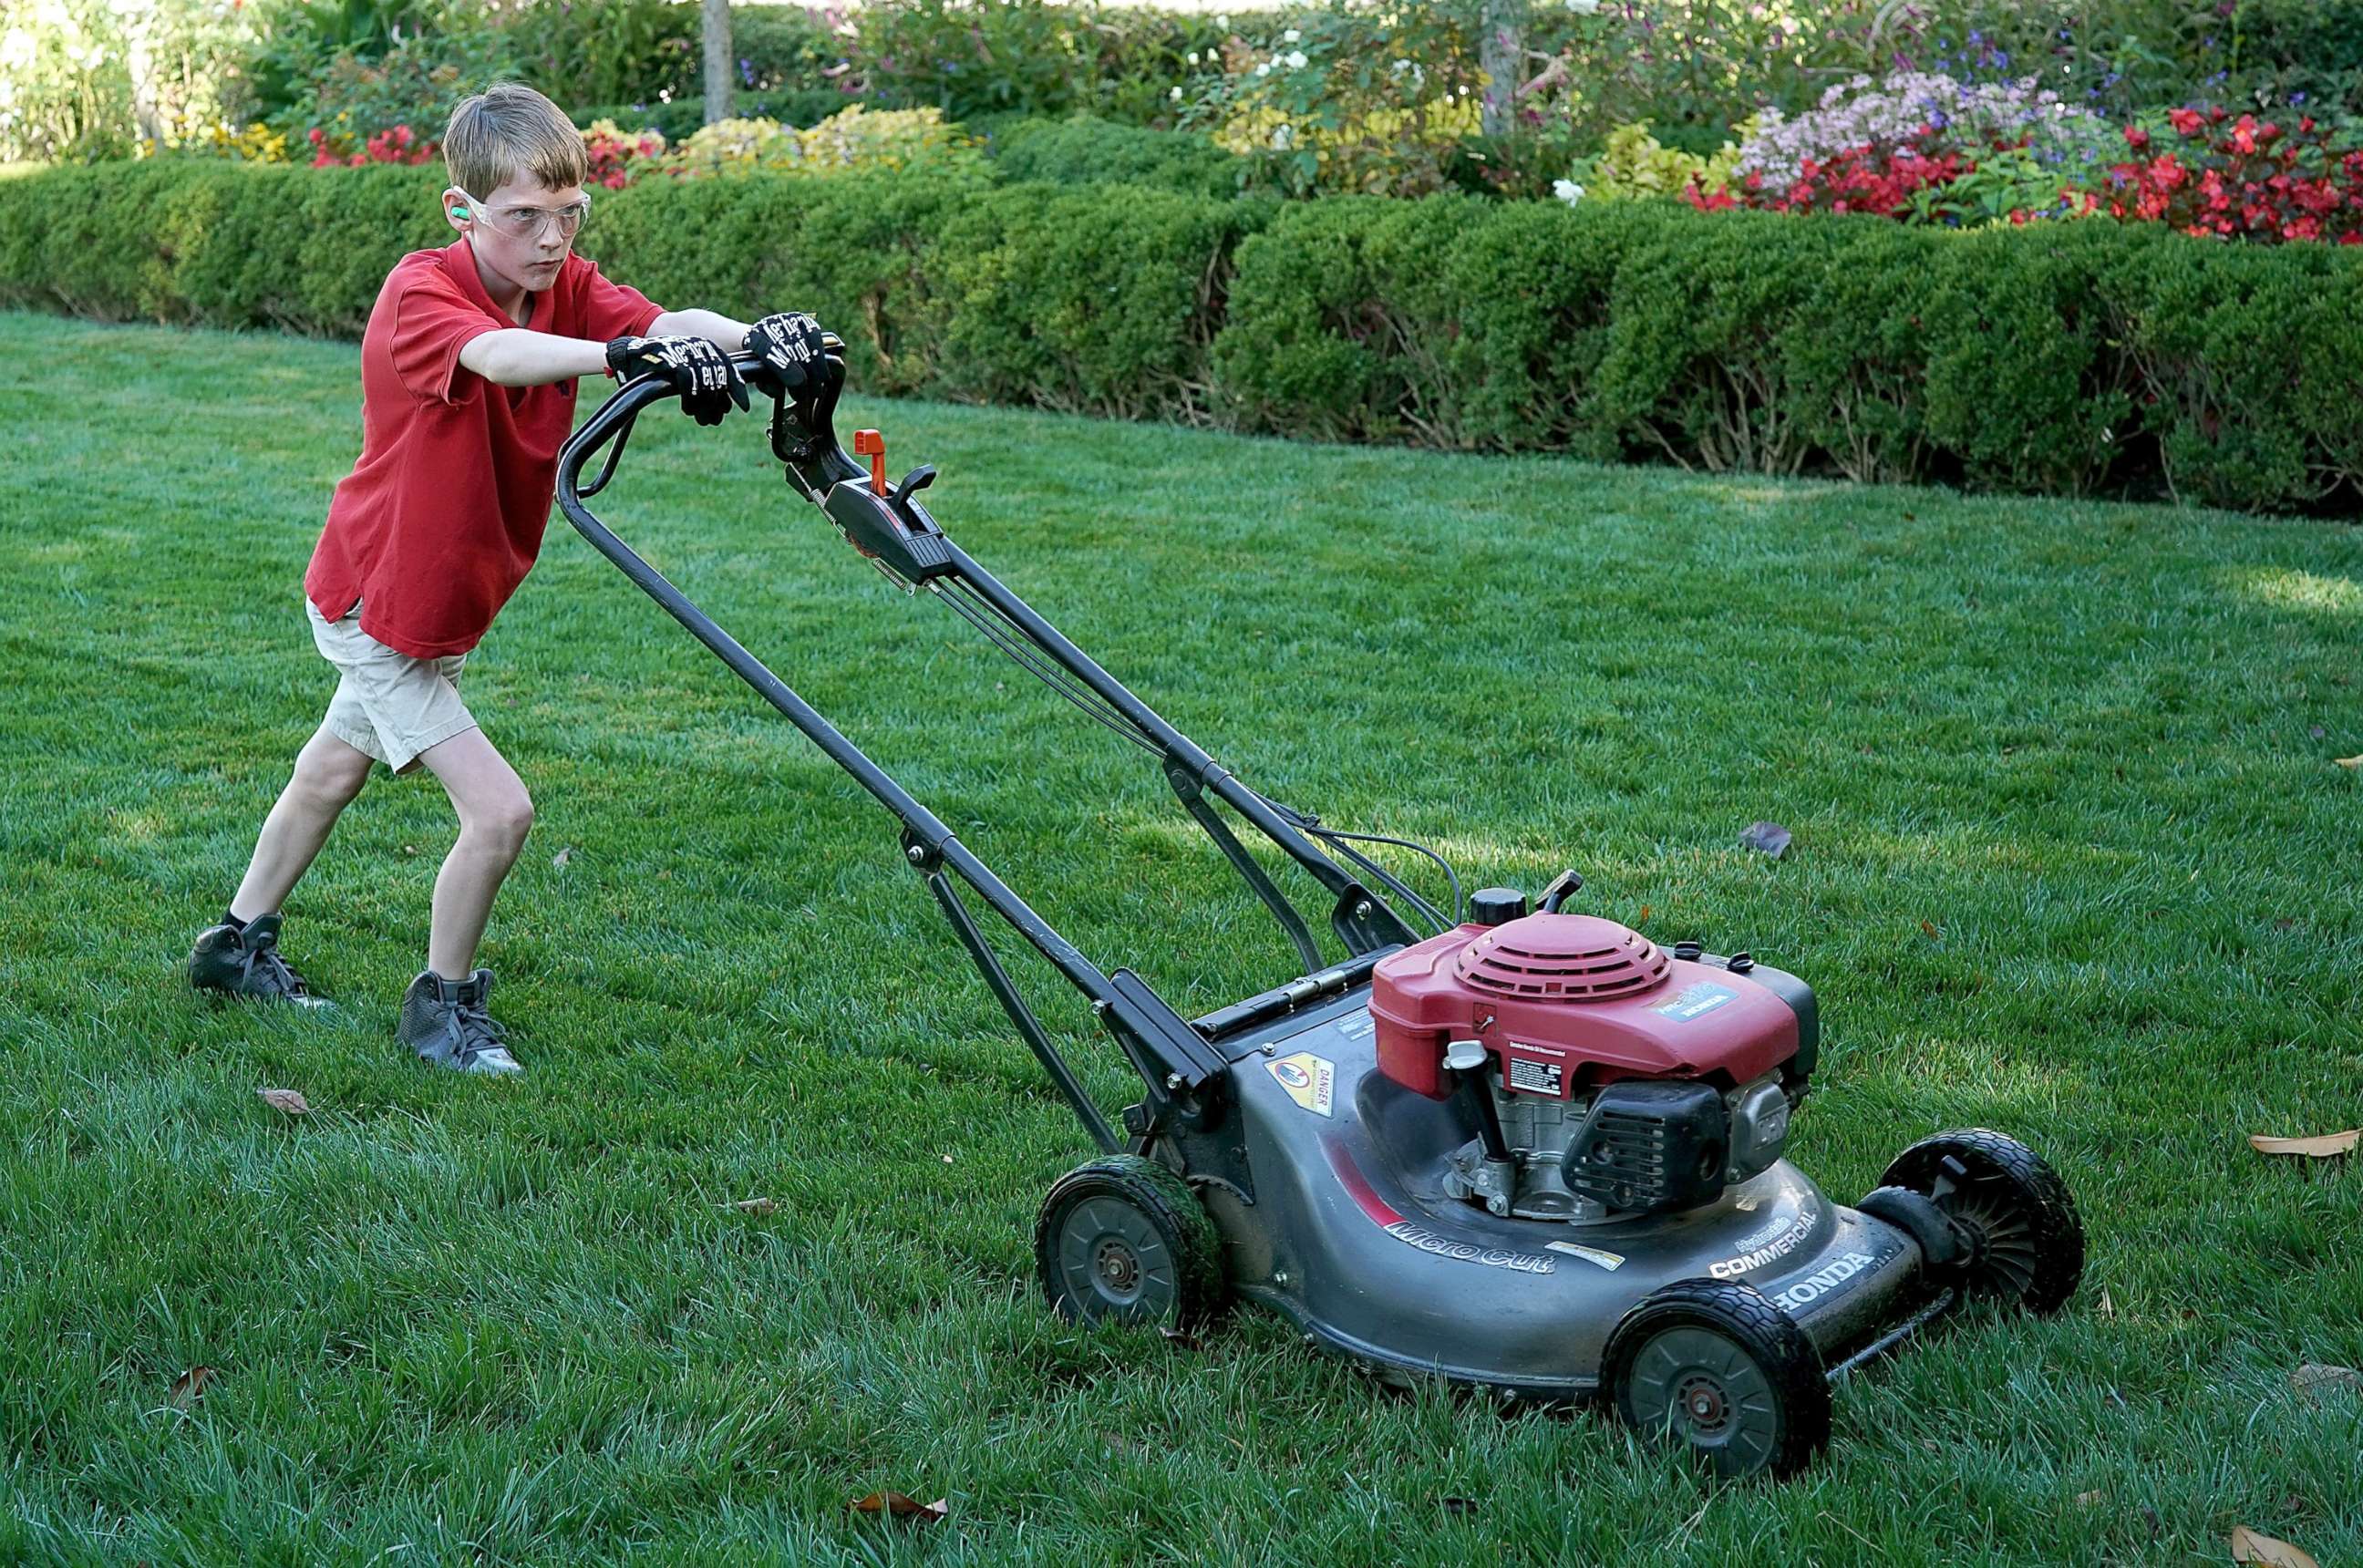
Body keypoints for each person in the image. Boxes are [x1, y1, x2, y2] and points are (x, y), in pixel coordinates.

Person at [187, 80, 832, 1076]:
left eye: (568, 213)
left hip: (435, 603)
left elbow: (668, 319)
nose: (550, 237)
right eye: (523, 216)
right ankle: (440, 1011)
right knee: (501, 813)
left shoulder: (565, 282)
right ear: (464, 211)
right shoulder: (423, 291)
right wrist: (622, 353)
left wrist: (754, 340)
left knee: (331, 769)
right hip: (377, 603)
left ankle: (234, 946)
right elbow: (498, 354)